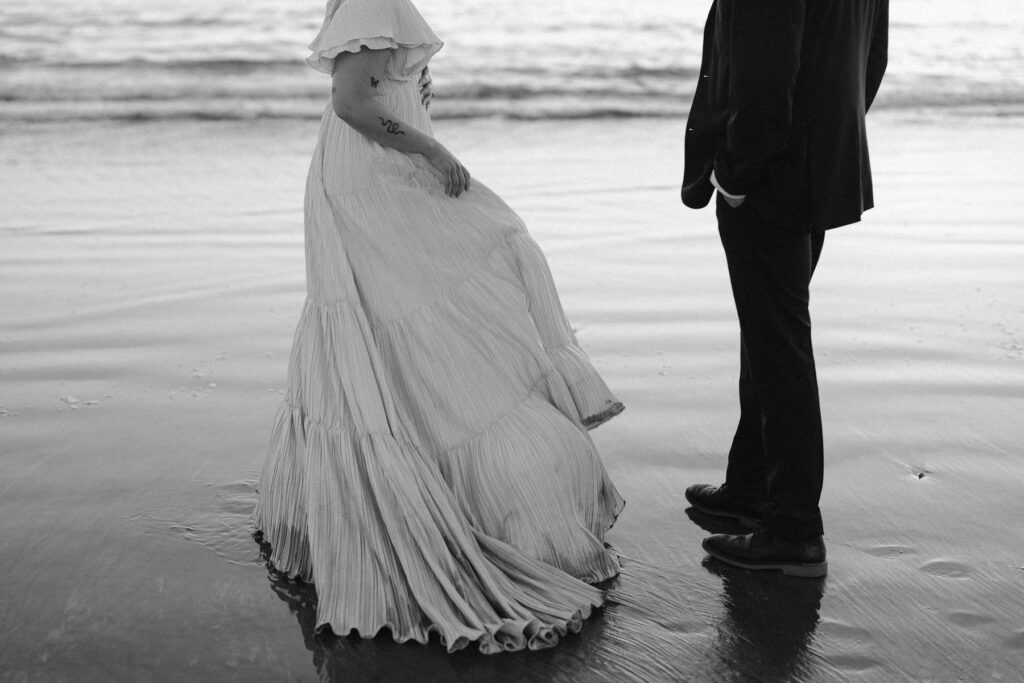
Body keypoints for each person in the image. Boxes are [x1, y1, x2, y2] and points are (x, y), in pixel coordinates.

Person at [253, 0, 624, 653]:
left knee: (410, 324)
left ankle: (416, 486)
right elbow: (351, 102)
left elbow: (372, 88)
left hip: (372, 176)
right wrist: (429, 145)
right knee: (429, 292)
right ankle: (414, 506)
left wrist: (412, 104)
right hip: (372, 183)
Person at [681, 0, 889, 577]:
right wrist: (827, 130)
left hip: (771, 172)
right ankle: (752, 487)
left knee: (779, 345)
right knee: (770, 332)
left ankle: (795, 531)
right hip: (819, 160)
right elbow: (873, 58)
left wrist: (737, 173)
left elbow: (764, 72)